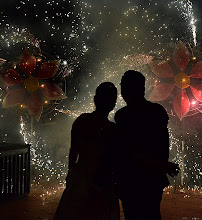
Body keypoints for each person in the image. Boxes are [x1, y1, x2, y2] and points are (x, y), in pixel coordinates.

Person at [114, 70, 179, 220]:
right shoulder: (156, 112)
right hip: (149, 178)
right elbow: (163, 145)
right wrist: (162, 165)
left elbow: (124, 151)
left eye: (125, 86)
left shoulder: (123, 115)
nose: (123, 91)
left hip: (132, 178)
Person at [54, 82, 120, 220]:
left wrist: (71, 174)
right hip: (102, 180)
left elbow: (74, 151)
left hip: (82, 178)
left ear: (95, 100)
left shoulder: (82, 121)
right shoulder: (112, 128)